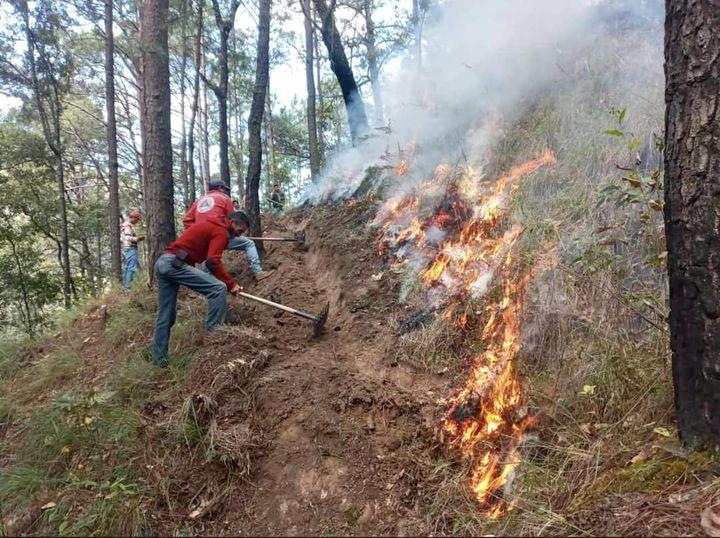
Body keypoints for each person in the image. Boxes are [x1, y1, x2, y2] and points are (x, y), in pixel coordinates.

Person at [151, 211, 248, 368]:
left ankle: (159, 362)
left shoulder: (213, 224)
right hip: (174, 263)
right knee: (218, 289)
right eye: (240, 230)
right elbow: (212, 261)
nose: (238, 235)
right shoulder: (221, 230)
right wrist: (231, 284)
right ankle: (214, 342)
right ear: (232, 222)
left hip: (164, 262)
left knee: (166, 315)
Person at [184, 180, 273, 282]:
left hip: (202, 239)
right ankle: (258, 272)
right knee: (249, 243)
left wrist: (198, 233)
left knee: (209, 258)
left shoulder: (199, 201)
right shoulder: (224, 198)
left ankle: (208, 287)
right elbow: (233, 220)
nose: (225, 191)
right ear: (220, 188)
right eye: (225, 189)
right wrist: (231, 235)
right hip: (218, 235)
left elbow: (187, 220)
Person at [121, 210, 144, 291]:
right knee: (131, 267)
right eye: (137, 219)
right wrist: (138, 238)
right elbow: (127, 238)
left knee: (127, 267)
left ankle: (126, 287)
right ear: (133, 218)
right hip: (130, 248)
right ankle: (127, 288)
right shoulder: (128, 226)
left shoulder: (128, 225)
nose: (137, 221)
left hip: (128, 248)